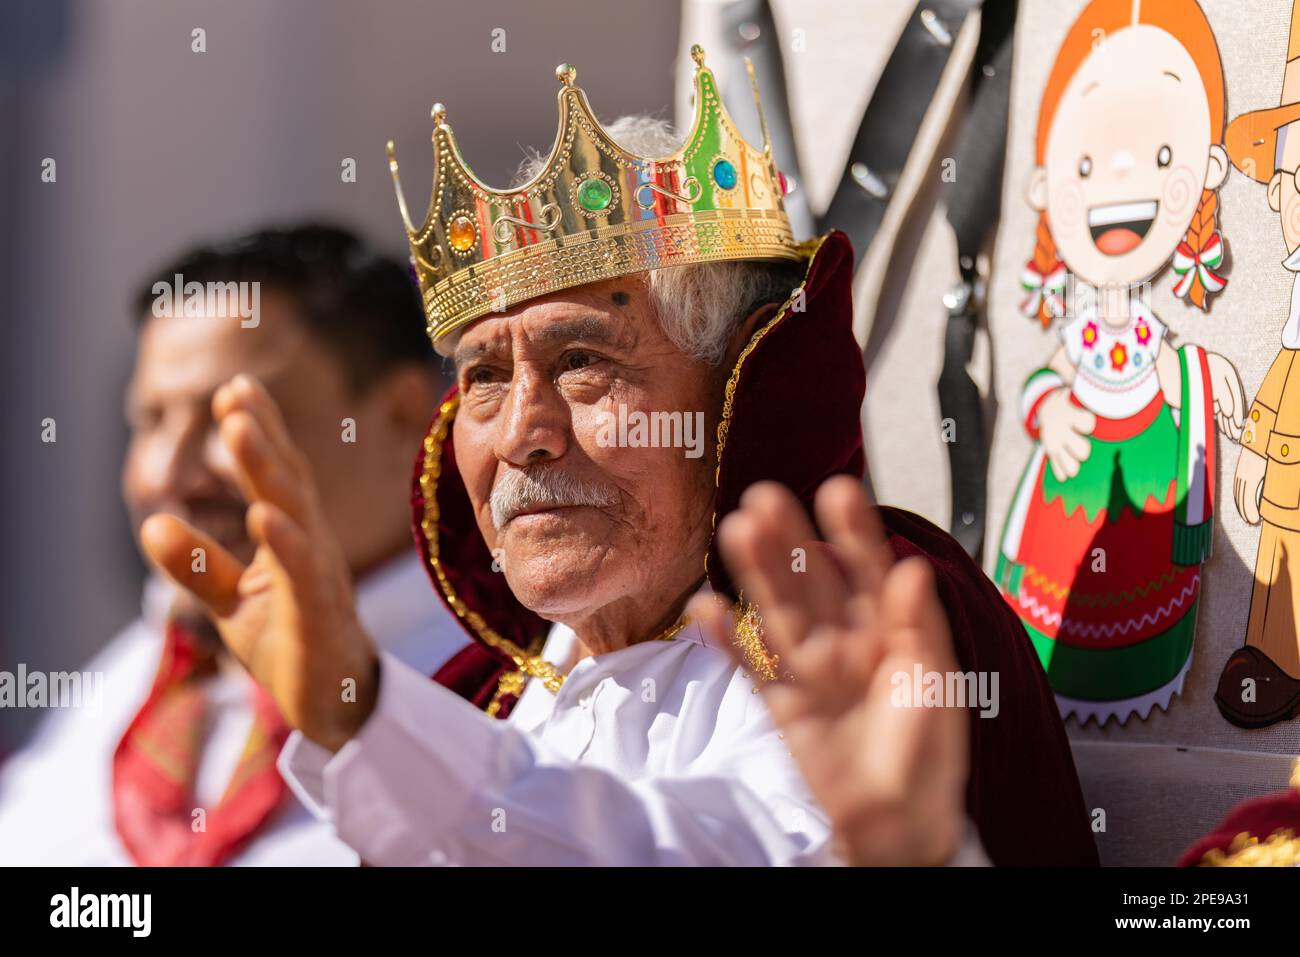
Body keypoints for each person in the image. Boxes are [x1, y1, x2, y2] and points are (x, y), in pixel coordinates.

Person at [140, 50, 1096, 865]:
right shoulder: (483, 690)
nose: (523, 430)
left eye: (583, 362)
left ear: (737, 393)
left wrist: (373, 724)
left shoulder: (862, 613)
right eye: (481, 377)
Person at [0, 225, 476, 866]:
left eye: (231, 417)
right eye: (150, 421)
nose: (169, 475)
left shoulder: (507, 695)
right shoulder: (124, 678)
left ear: (401, 414)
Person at [994, 0, 1245, 724]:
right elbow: (1047, 380)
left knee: (1137, 595)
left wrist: (1196, 368)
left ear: (1208, 169)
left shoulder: (1154, 331)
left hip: (1148, 483)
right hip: (1070, 494)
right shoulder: (1077, 328)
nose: (1126, 174)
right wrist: (1051, 408)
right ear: (1047, 183)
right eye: (1087, 162)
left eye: (1165, 156)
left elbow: (1171, 371)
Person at [1215, 0, 1300, 729]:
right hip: (1286, 475)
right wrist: (1249, 452)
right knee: (1277, 569)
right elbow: (1282, 370)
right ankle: (1276, 659)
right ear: (1278, 192)